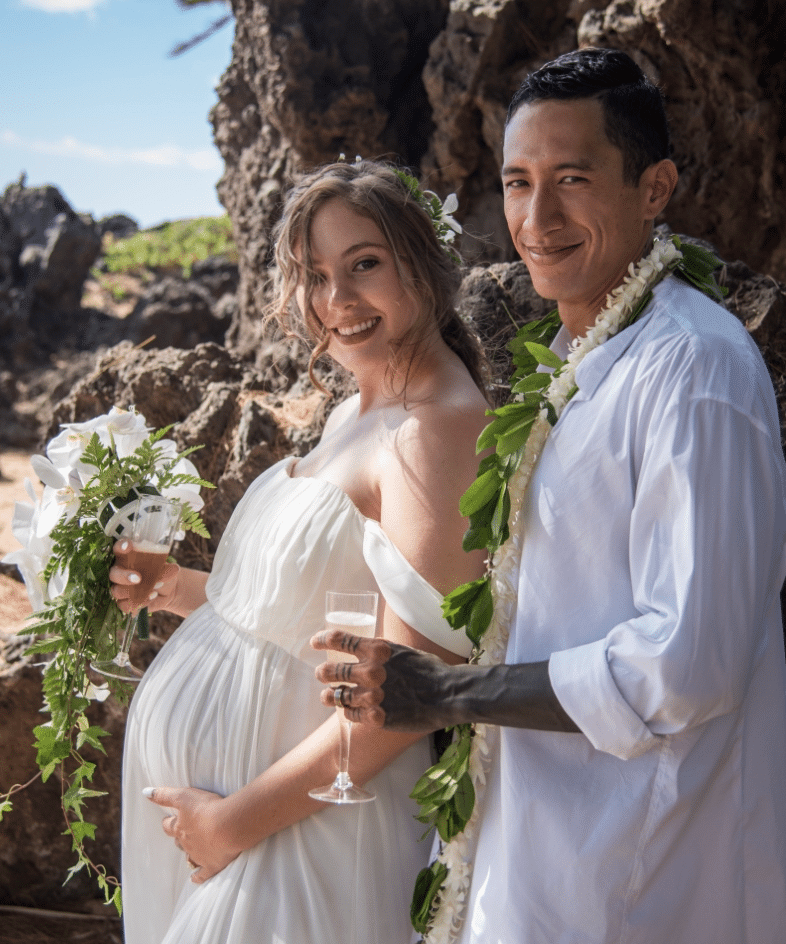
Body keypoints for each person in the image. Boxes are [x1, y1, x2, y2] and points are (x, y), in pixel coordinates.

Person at [313, 48, 786, 943]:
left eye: (573, 179)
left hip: (646, 864)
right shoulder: (577, 365)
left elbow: (687, 663)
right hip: (539, 842)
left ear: (655, 189)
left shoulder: (696, 368)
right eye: (519, 181)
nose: (538, 217)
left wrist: (450, 695)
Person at [108, 159, 491, 944]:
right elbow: (297, 612)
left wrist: (232, 824)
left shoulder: (438, 428)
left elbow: (412, 696)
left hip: (304, 834)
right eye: (316, 275)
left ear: (422, 262)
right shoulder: (362, 403)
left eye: (365, 265)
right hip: (243, 818)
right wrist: (172, 585)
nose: (337, 300)